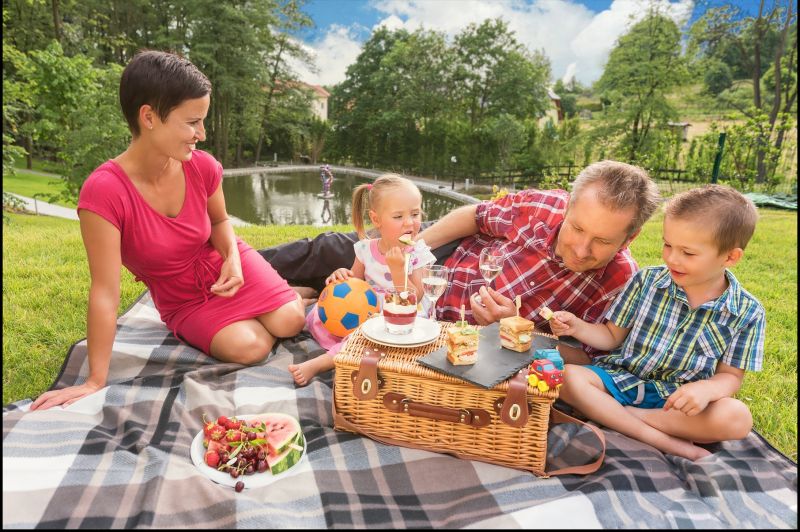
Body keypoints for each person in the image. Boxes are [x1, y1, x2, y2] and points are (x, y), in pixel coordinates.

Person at [30, 50, 306, 411]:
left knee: (291, 320)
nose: (201, 134)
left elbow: (221, 222)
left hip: (224, 265)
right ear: (149, 117)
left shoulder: (203, 167)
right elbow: (105, 291)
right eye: (192, 122)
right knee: (251, 347)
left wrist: (232, 259)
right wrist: (95, 379)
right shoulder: (104, 192)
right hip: (182, 299)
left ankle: (289, 298)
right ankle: (276, 299)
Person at [550, 185, 764, 461]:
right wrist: (577, 327)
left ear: (730, 257)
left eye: (688, 253)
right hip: (621, 381)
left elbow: (731, 376)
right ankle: (667, 442)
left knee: (737, 418)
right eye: (667, 245)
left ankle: (623, 418)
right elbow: (611, 336)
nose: (672, 258)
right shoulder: (646, 281)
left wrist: (706, 389)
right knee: (569, 376)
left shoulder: (747, 312)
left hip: (677, 403)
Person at [416, 160, 662, 364]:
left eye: (602, 241)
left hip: (481, 359)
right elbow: (476, 216)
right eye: (577, 228)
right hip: (426, 298)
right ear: (567, 209)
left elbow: (587, 360)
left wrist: (516, 329)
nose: (581, 249)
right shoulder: (542, 206)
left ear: (630, 238)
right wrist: (412, 249)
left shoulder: (620, 281)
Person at [288, 174, 436, 386]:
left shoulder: (418, 253)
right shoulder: (366, 249)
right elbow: (353, 283)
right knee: (321, 314)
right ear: (376, 220)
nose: (410, 223)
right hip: (367, 308)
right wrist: (340, 274)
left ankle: (320, 363)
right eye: (398, 217)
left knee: (363, 338)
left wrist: (397, 270)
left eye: (415, 214)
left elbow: (415, 298)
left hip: (401, 317)